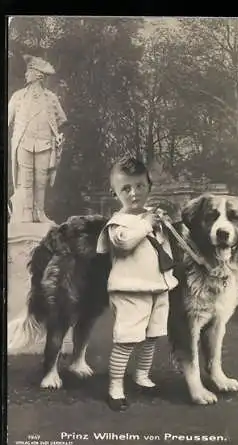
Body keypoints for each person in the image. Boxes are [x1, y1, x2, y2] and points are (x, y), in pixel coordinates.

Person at [96, 157, 179, 411]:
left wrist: (160, 223)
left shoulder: (152, 218)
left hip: (157, 286)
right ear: (115, 193)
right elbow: (123, 244)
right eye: (126, 189)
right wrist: (147, 224)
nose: (134, 194)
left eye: (140, 186)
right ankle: (115, 387)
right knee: (127, 339)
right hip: (130, 288)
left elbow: (166, 247)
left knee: (151, 336)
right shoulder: (117, 223)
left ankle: (142, 375)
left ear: (149, 186)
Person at [8, 54, 67, 223]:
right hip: (23, 143)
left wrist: (60, 137)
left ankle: (39, 213)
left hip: (45, 144)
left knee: (41, 181)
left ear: (37, 75)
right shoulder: (18, 96)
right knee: (26, 179)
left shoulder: (52, 98)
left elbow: (61, 120)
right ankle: (26, 213)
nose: (26, 75)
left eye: (29, 71)